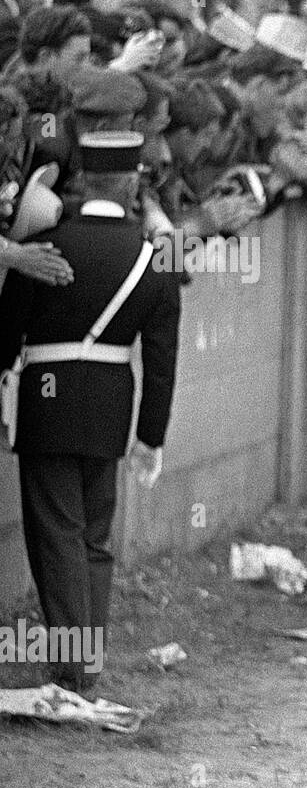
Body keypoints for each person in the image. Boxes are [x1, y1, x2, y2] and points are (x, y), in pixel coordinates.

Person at [0, 130, 180, 692]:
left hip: (46, 402)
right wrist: (151, 436)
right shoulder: (155, 260)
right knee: (95, 538)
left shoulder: (45, 246)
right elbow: (162, 358)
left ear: (83, 180)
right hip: (110, 407)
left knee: (55, 533)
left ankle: (71, 664)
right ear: (131, 182)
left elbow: (5, 334)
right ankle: (86, 659)